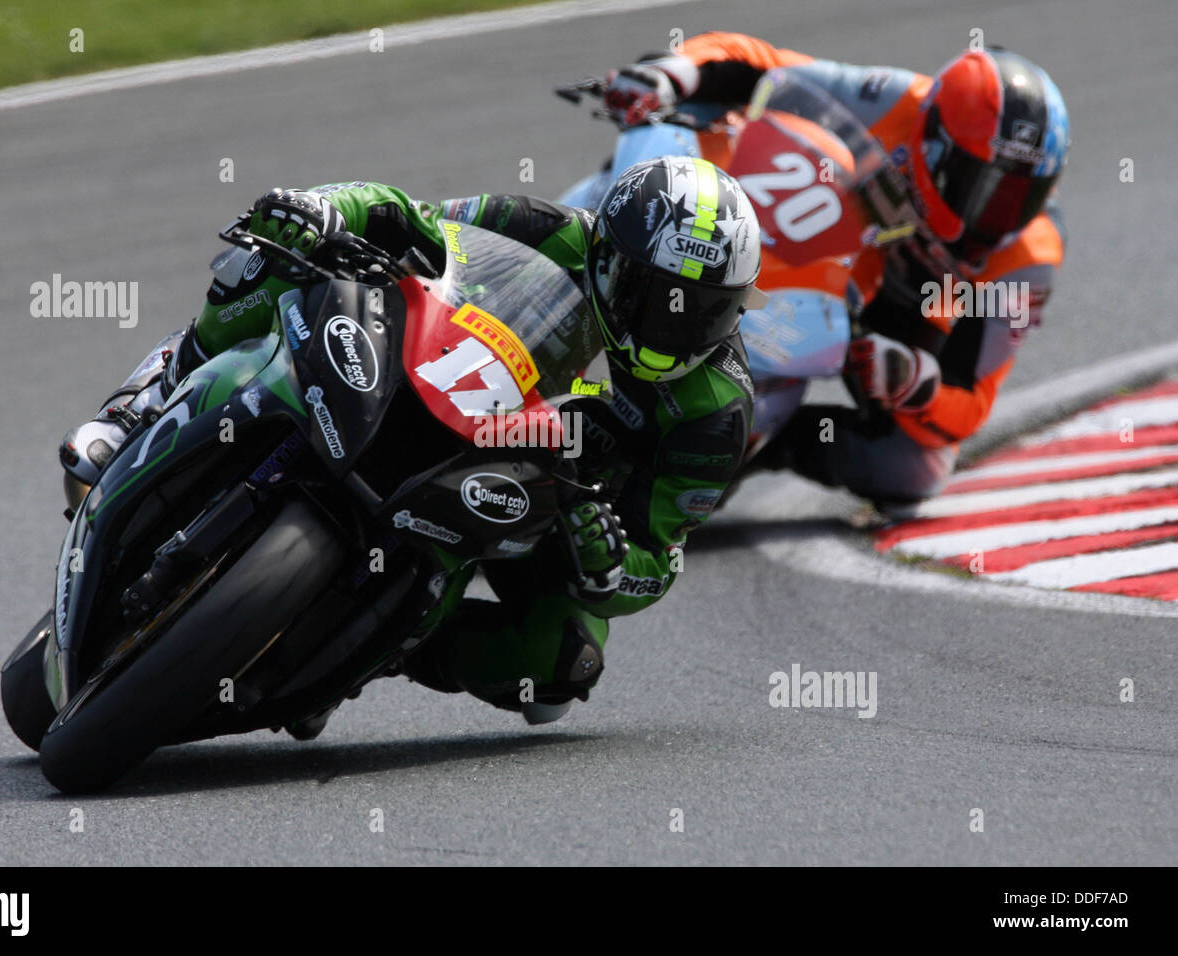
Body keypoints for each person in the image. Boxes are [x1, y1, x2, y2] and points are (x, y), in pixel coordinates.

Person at [59, 156, 763, 727]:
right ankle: (137, 405)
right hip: (435, 379)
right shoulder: (545, 227)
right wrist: (329, 210)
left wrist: (611, 563)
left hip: (545, 507)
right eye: (660, 295)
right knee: (283, 256)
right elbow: (408, 217)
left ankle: (382, 648)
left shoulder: (714, 417)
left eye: (705, 311)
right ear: (612, 259)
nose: (675, 326)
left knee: (556, 672)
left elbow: (660, 560)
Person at [605, 35, 1070, 502]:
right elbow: (763, 65)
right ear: (934, 147)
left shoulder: (1029, 261)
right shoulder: (899, 101)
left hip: (890, 322)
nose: (1000, 218)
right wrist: (673, 73)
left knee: (915, 467)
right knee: (701, 117)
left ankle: (764, 444)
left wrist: (917, 381)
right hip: (806, 233)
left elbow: (969, 399)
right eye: (983, 188)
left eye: (1021, 196)